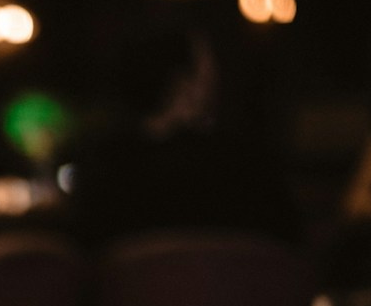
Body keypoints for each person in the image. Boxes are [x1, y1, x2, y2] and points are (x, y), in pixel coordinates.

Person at [64, 25, 301, 247]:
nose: (215, 77)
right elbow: (289, 243)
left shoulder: (102, 168)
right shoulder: (241, 166)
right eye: (207, 67)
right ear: (183, 84)